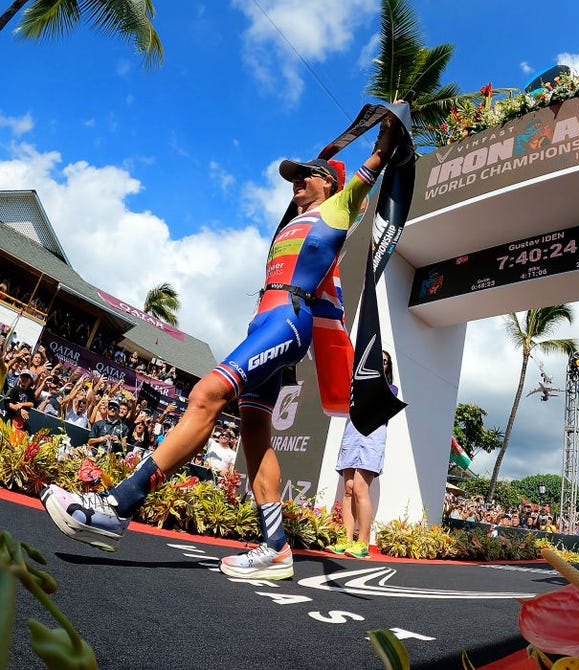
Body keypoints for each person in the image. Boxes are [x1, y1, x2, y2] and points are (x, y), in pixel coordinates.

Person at [41, 112, 404, 580]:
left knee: (205, 395)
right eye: (294, 175)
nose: (296, 181)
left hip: (288, 323)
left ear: (328, 185)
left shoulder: (337, 209)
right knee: (255, 435)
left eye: (306, 175)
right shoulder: (294, 223)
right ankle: (275, 548)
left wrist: (385, 140)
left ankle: (118, 505)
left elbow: (367, 174)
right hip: (266, 325)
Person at [326, 350, 398, 559]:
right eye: (378, 360)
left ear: (387, 367)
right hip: (351, 437)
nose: (380, 364)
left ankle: (363, 542)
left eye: (384, 362)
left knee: (360, 489)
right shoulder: (354, 385)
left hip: (371, 441)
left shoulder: (390, 389)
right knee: (348, 489)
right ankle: (346, 539)